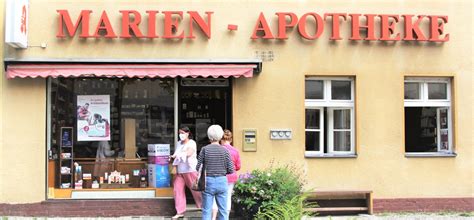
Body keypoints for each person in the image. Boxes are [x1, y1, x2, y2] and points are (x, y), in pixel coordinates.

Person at [196, 125, 235, 220]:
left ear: (209, 136)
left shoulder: (204, 149)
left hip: (208, 181)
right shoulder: (225, 150)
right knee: (223, 210)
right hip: (222, 181)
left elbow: (197, 167)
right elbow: (231, 169)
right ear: (221, 135)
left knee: (206, 210)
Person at [171, 127, 203, 219]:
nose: (180, 135)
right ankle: (180, 211)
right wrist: (174, 158)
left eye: (182, 133)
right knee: (178, 190)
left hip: (190, 170)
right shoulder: (178, 143)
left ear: (188, 133)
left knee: (196, 190)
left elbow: (189, 152)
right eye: (179, 133)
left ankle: (202, 206)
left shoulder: (191, 143)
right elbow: (176, 154)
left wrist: (181, 154)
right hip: (180, 171)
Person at [211, 129, 241, 220]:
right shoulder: (235, 151)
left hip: (218, 176)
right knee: (227, 197)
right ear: (231, 140)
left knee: (215, 197)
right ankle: (225, 217)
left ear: (221, 139)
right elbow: (238, 166)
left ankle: (213, 217)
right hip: (231, 177)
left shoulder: (218, 150)